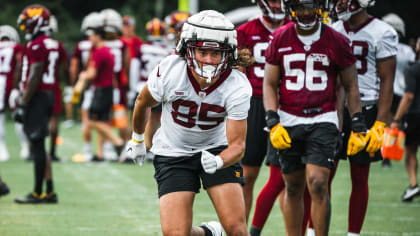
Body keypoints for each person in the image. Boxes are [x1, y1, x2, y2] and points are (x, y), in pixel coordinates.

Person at [126, 10, 252, 236]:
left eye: (217, 53)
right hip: (174, 152)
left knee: (237, 230)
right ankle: (208, 233)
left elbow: (238, 145)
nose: (209, 60)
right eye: (203, 51)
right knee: (176, 233)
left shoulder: (237, 85)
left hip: (217, 148)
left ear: (229, 54)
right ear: (187, 48)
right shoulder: (170, 70)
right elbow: (142, 101)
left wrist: (219, 160)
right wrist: (137, 139)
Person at [263, 0, 367, 235]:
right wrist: (272, 119)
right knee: (292, 186)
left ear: (321, 7)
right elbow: (269, 83)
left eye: (311, 7)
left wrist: (358, 121)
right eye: (301, 7)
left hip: (323, 117)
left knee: (318, 183)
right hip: (289, 118)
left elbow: (351, 85)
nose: (306, 13)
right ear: (290, 8)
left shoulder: (336, 40)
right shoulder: (280, 37)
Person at [331, 0, 398, 235]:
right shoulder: (333, 28)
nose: (338, 4)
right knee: (321, 174)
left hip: (367, 109)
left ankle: (353, 233)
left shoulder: (383, 32)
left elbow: (387, 80)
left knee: (360, 176)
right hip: (334, 108)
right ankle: (314, 229)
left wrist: (381, 123)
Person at [236, 0, 293, 226]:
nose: (277, 5)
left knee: (288, 179)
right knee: (247, 176)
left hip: (288, 106)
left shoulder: (294, 28)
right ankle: (240, 229)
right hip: (254, 104)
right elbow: (238, 75)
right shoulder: (244, 32)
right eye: (272, 0)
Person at [13, 4, 59, 203]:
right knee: (40, 144)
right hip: (46, 94)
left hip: (38, 97)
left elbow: (34, 76)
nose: (25, 28)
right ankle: (48, 190)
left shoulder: (37, 45)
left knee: (37, 146)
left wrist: (23, 103)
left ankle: (38, 192)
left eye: (27, 24)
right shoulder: (48, 43)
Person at [74, 11, 125, 161]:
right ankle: (101, 153)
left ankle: (119, 143)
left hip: (101, 90)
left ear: (98, 36)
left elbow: (92, 73)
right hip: (107, 89)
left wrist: (83, 76)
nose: (89, 38)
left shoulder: (100, 52)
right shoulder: (106, 50)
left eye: (92, 36)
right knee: (102, 121)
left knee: (93, 121)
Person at [127, 17, 171, 161]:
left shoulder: (142, 48)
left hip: (141, 85)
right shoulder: (166, 50)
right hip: (158, 87)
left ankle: (136, 143)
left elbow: (134, 67)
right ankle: (149, 146)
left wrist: (132, 87)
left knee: (137, 114)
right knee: (152, 119)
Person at [381, 13, 416, 168]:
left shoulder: (399, 50)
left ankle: (390, 153)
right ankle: (391, 154)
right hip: (399, 91)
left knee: (390, 122)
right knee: (396, 122)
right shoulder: (407, 50)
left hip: (395, 91)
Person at [392, 38, 420, 202]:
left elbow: (408, 96)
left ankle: (413, 184)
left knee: (410, 151)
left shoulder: (413, 69)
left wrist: (396, 119)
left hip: (415, 115)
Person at [0, 25, 26, 162]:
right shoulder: (17, 47)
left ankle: (1, 148)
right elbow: (20, 64)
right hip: (12, 82)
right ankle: (25, 146)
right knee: (18, 114)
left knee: (0, 116)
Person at [46, 15, 70, 162]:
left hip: (37, 87)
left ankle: (33, 150)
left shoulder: (33, 44)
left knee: (37, 119)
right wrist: (68, 84)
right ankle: (52, 152)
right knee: (54, 120)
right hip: (53, 86)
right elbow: (64, 68)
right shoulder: (57, 45)